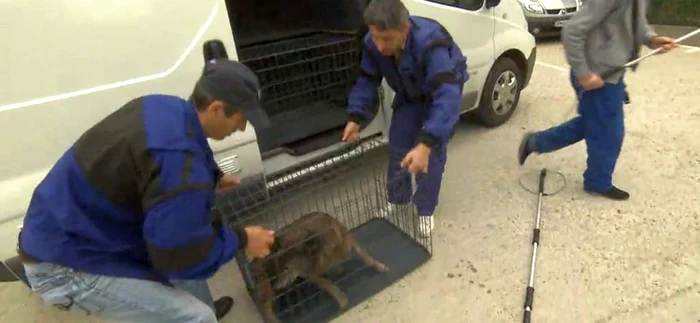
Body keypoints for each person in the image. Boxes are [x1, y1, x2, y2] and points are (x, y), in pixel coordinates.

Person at [17, 59, 276, 322]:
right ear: (217, 108)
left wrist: (212, 177)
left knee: (183, 278)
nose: (241, 129)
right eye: (241, 120)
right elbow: (181, 256)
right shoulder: (179, 165)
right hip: (64, 262)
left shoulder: (166, 107)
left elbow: (169, 158)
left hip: (72, 224)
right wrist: (242, 239)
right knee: (197, 317)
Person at [517, 0, 678, 201]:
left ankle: (535, 142)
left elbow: (636, 22)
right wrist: (584, 73)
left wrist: (652, 39)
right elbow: (572, 32)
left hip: (611, 75)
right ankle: (597, 182)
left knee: (594, 124)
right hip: (596, 77)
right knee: (610, 134)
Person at [341, 0, 468, 237]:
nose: (379, 46)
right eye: (375, 36)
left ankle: (425, 210)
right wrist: (356, 117)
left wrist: (426, 143)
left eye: (386, 39)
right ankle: (398, 200)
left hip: (440, 93)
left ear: (405, 29)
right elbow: (368, 80)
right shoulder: (373, 42)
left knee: (430, 157)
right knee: (398, 145)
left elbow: (446, 97)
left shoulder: (431, 43)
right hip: (410, 94)